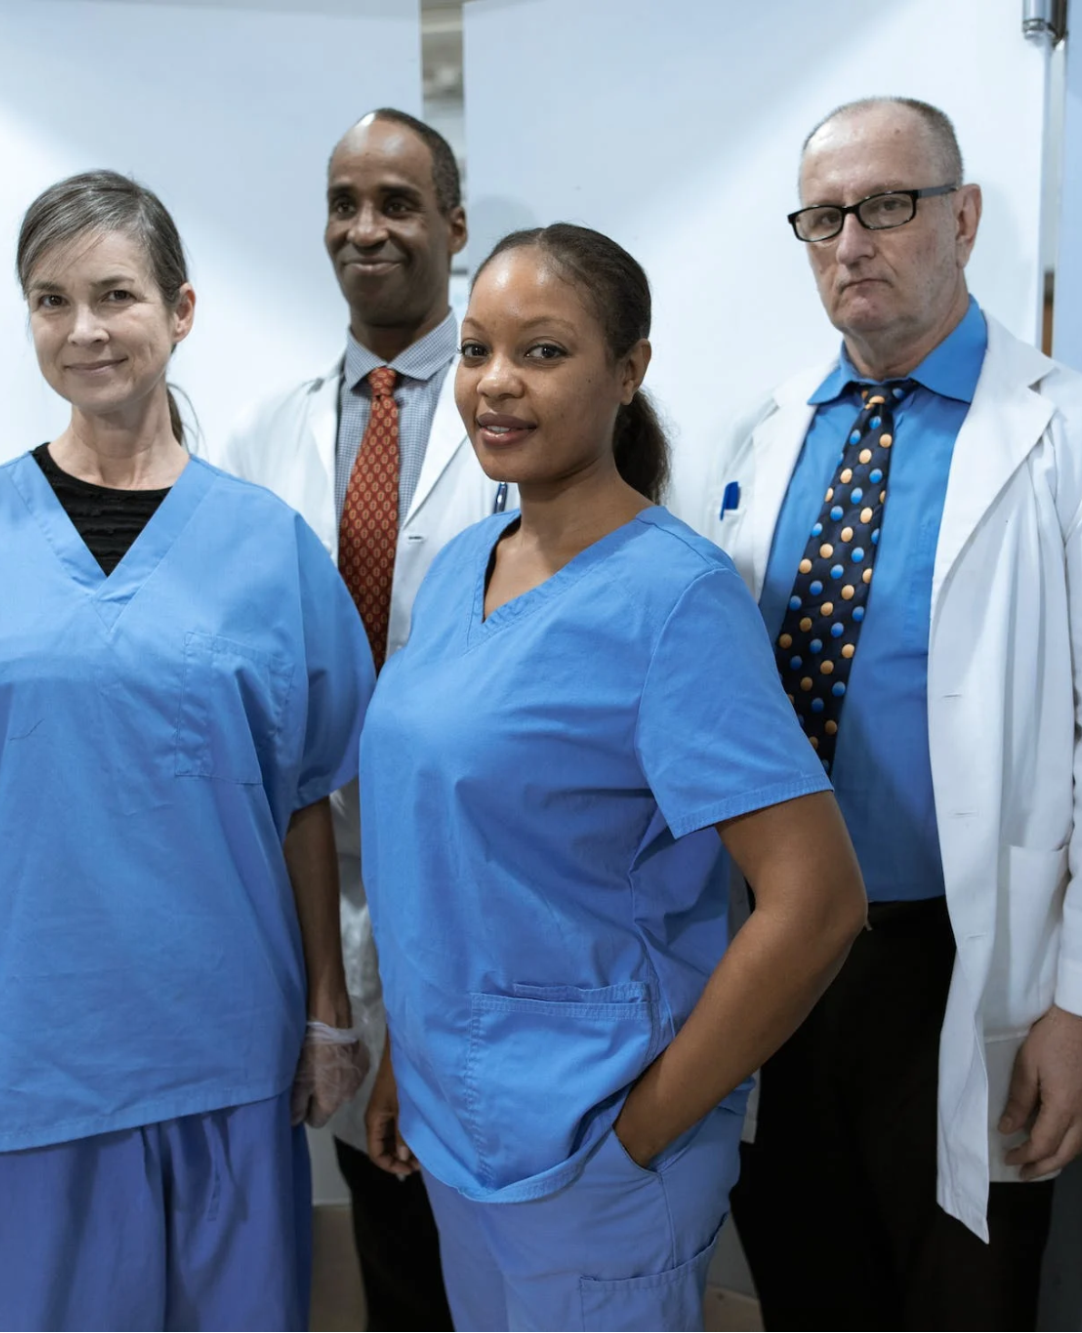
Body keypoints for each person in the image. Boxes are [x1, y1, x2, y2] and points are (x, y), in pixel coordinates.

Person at [0, 170, 375, 1332]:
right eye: (50, 300)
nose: (84, 330)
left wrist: (330, 1009)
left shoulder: (267, 547)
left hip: (222, 1045)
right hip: (13, 1048)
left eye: (116, 295)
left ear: (179, 310)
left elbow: (304, 804)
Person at [689, 98, 1082, 1330]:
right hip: (778, 957)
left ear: (962, 219)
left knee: (963, 1293)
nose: (851, 241)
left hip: (961, 963)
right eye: (822, 217)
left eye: (888, 206)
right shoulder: (768, 432)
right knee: (806, 1272)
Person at [358, 223, 871, 1332]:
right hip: (462, 1126)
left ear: (628, 371)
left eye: (543, 353)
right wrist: (411, 1048)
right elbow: (441, 847)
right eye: (479, 351)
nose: (496, 384)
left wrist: (641, 1133)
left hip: (591, 1149)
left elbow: (817, 900)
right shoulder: (461, 568)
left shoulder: (673, 602)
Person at [205, 106, 500, 1331]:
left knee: (493, 1214)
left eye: (394, 203)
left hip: (483, 872)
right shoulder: (258, 432)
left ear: (453, 226)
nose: (364, 229)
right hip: (316, 867)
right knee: (380, 1205)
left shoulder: (523, 409)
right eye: (343, 203)